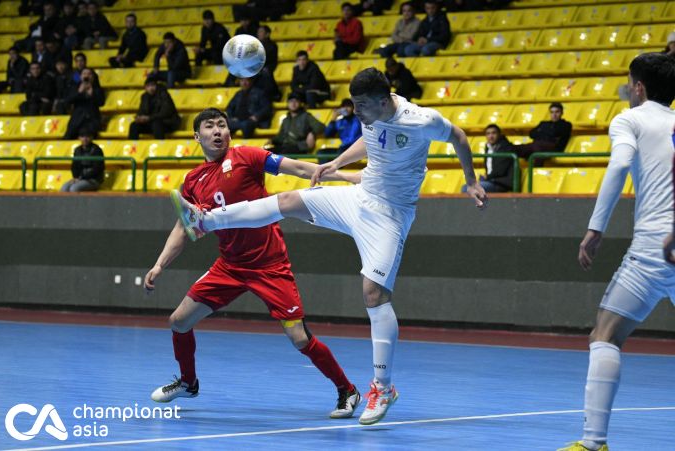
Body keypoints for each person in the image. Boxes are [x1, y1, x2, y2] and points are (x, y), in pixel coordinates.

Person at [170, 68, 487, 425]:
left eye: (362, 106)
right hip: (359, 197)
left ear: (384, 101)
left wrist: (471, 181)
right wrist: (337, 162)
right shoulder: (372, 112)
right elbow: (373, 135)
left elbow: (459, 136)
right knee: (288, 200)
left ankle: (382, 387)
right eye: (354, 105)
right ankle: (207, 220)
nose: (357, 112)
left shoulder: (421, 120)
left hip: (390, 214)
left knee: (373, 295)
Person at [146, 107, 362, 420]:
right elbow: (184, 227)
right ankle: (189, 382)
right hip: (229, 266)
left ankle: (347, 389)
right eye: (210, 126)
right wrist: (159, 265)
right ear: (197, 136)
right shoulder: (193, 181)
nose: (218, 130)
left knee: (299, 338)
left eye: (222, 124)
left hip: (269, 265)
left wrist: (346, 176)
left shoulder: (247, 156)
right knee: (179, 321)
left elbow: (299, 168)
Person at [560, 52, 675, 451]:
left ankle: (593, 443)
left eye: (629, 83)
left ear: (638, 87)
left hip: (652, 249)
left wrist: (595, 228)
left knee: (605, 335)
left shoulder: (630, 119)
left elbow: (619, 165)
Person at [461, 124, 514, 193]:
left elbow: (500, 170)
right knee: (466, 187)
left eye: (493, 133)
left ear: (499, 134)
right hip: (491, 181)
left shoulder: (506, 148)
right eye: (488, 134)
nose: (491, 136)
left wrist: (487, 177)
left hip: (501, 183)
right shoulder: (488, 148)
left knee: (466, 188)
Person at [128, 76, 181, 140]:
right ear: (145, 88)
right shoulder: (144, 97)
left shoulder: (164, 94)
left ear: (157, 85)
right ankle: (134, 147)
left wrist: (149, 118)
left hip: (168, 123)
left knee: (156, 123)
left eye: (152, 85)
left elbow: (166, 112)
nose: (151, 88)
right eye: (148, 86)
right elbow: (142, 110)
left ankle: (160, 147)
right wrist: (139, 117)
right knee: (134, 125)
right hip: (152, 122)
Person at [63, 67, 105, 140]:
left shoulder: (97, 89)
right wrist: (79, 92)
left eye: (89, 74)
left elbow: (101, 103)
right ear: (81, 76)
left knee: (86, 133)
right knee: (68, 136)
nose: (86, 76)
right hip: (77, 118)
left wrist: (92, 94)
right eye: (84, 74)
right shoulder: (75, 88)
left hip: (92, 118)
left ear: (93, 77)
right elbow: (68, 101)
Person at [317, 98, 362, 164]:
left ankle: (334, 171)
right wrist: (333, 120)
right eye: (344, 107)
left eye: (348, 106)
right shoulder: (339, 121)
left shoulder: (359, 119)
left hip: (356, 148)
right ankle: (326, 172)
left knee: (341, 152)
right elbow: (327, 134)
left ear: (353, 108)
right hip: (343, 149)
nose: (346, 109)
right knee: (321, 152)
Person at [60, 128, 105, 192]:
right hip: (80, 178)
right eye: (82, 136)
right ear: (79, 138)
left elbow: (97, 169)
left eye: (87, 136)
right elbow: (74, 166)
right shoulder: (77, 150)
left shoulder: (97, 150)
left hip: (94, 180)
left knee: (74, 189)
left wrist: (81, 178)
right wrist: (76, 177)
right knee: (64, 188)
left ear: (92, 137)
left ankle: (77, 202)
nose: (85, 139)